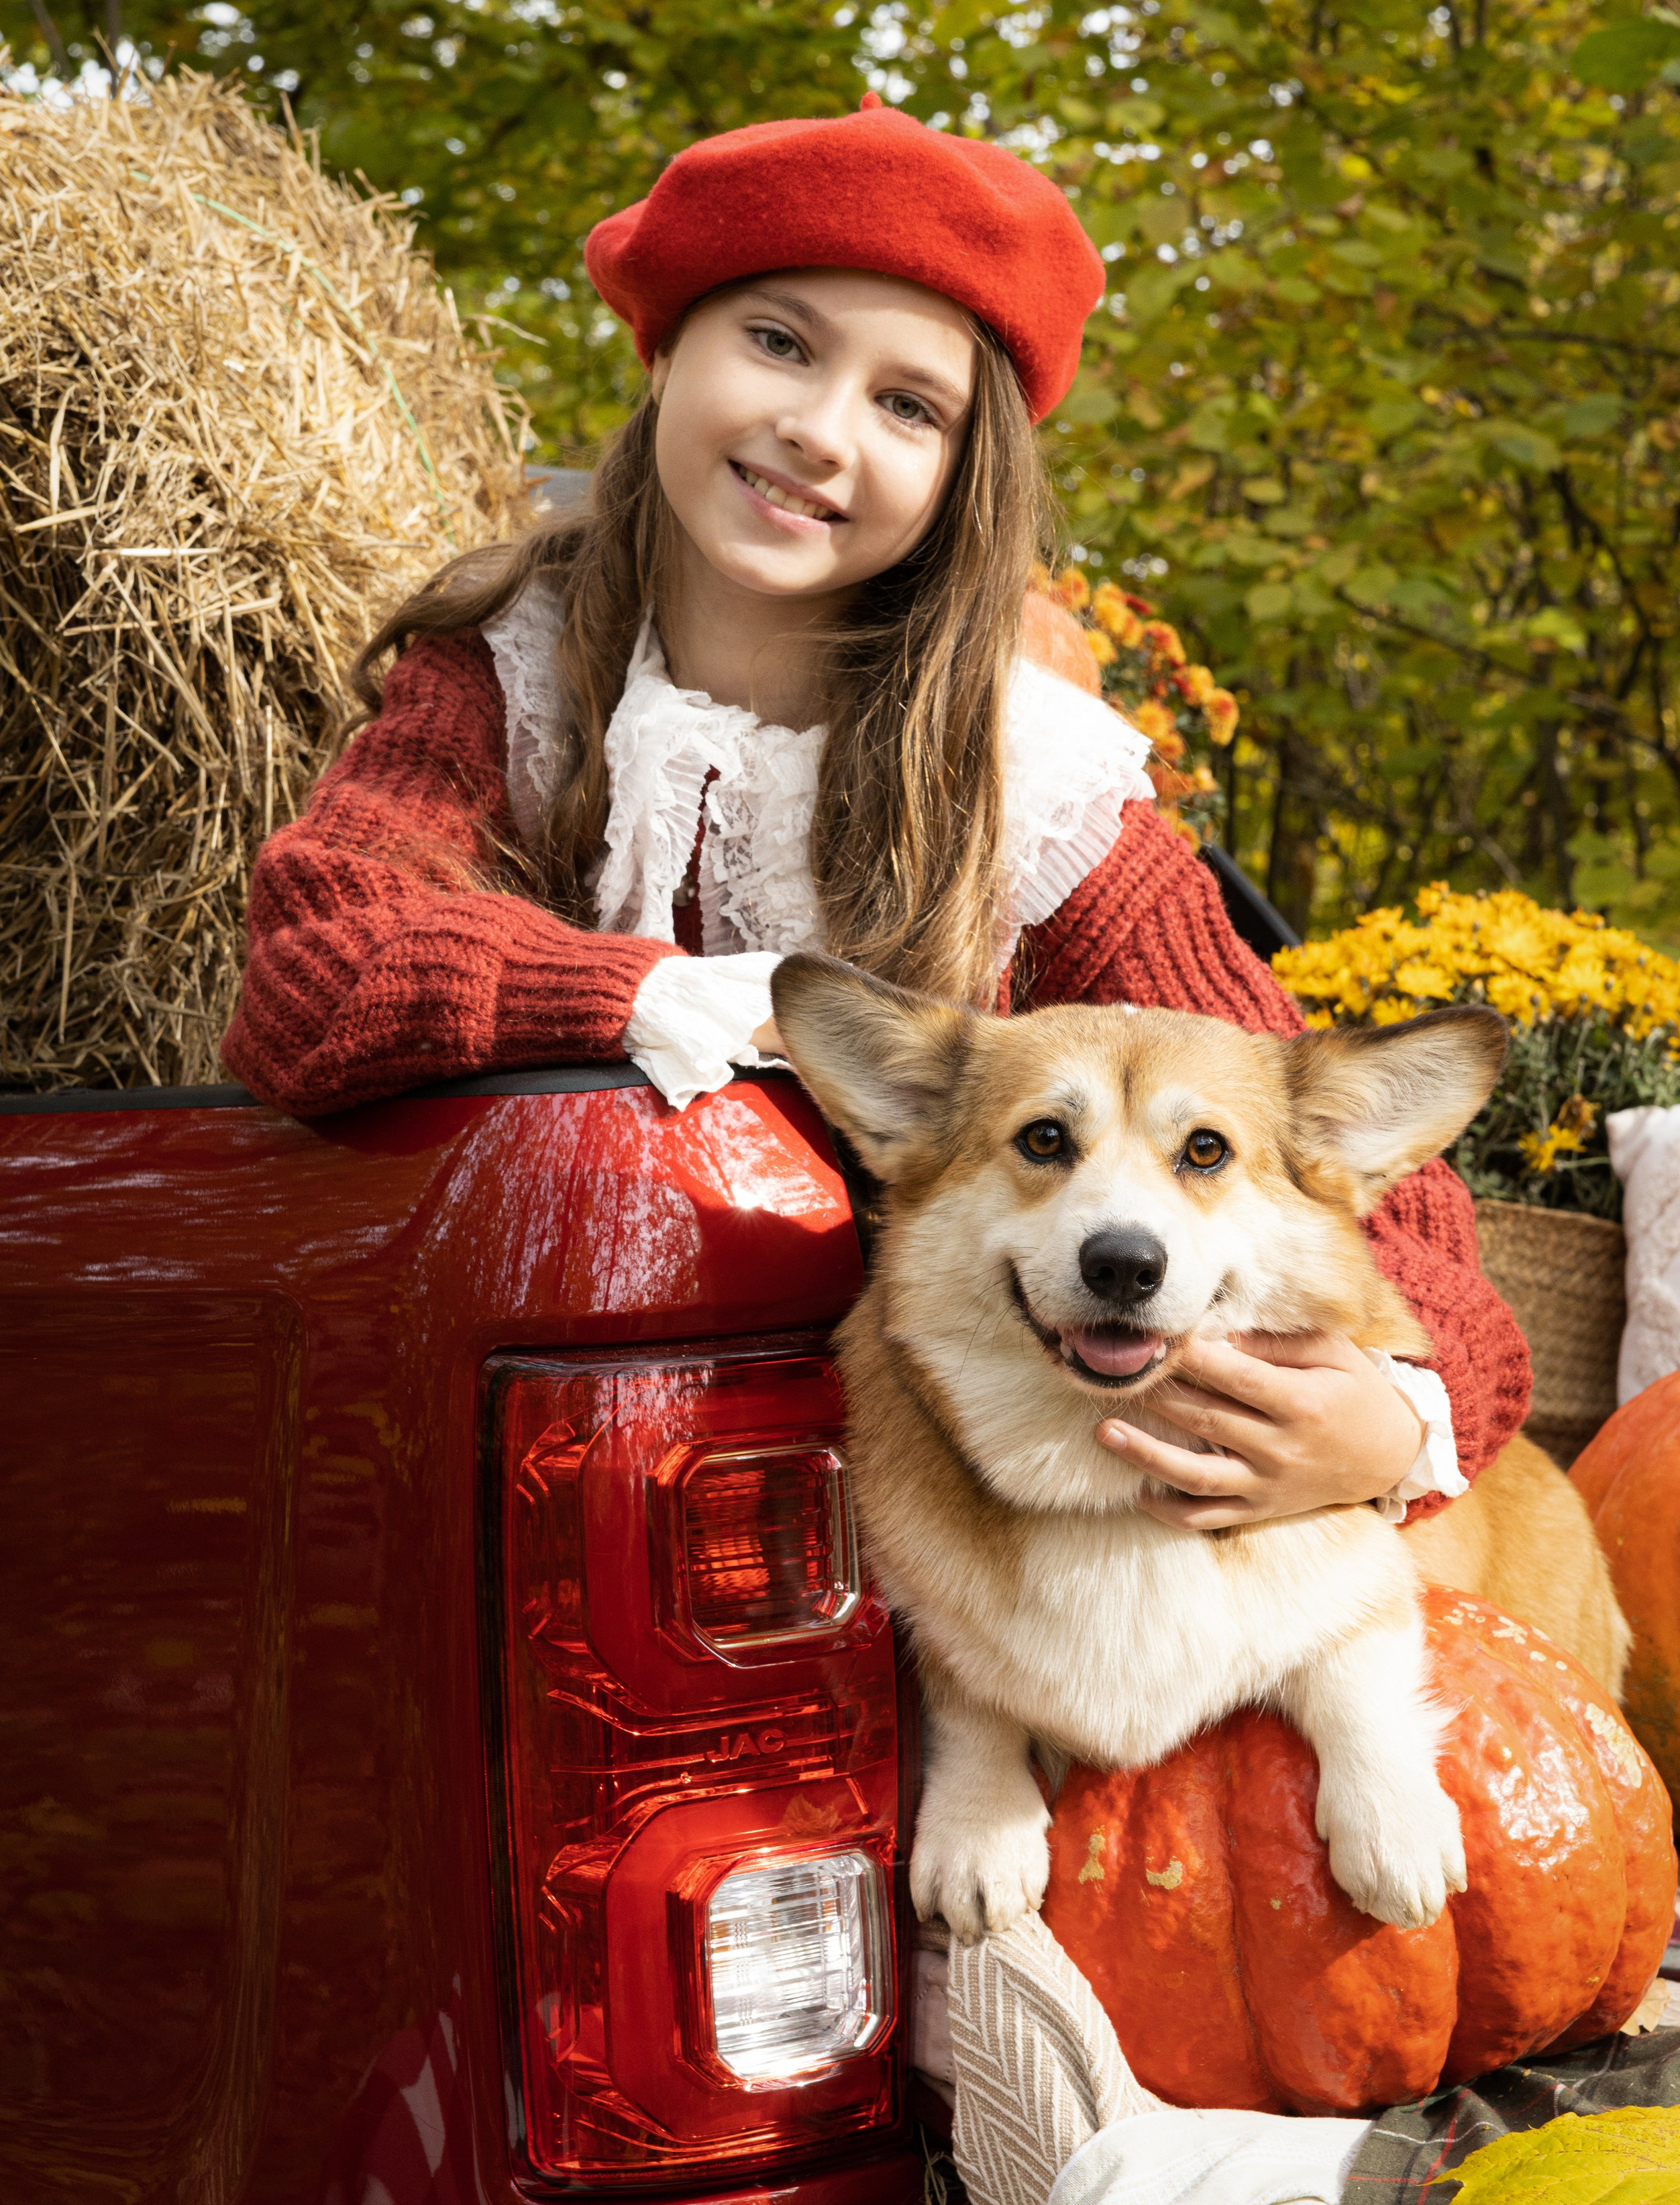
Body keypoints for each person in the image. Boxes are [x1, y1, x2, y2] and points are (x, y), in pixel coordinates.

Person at [223, 93, 1528, 1527]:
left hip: (893, 1489)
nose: (817, 431)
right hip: (526, 1418)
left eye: (907, 405)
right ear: (667, 352)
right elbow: (311, 972)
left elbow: (1320, 1142)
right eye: (776, 342)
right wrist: (664, 995)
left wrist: (1398, 1419)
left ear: (964, 478)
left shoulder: (1030, 785)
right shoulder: (510, 675)